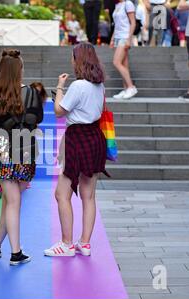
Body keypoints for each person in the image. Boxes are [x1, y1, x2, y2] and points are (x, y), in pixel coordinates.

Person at [44, 42, 109, 257]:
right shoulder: (99, 86)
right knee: (88, 195)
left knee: (61, 194)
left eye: (73, 57)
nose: (71, 61)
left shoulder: (78, 86)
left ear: (78, 60)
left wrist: (60, 87)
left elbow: (59, 111)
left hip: (78, 138)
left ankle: (66, 244)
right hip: (95, 138)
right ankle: (85, 243)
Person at [0, 49, 44, 266]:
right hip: (26, 148)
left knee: (11, 201)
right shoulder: (32, 94)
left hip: (4, 150)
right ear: (20, 71)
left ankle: (4, 248)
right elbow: (38, 119)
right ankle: (8, 249)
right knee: (13, 201)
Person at [110, 0, 138, 99]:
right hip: (117, 37)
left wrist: (129, 39)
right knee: (124, 64)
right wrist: (112, 38)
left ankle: (131, 87)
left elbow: (133, 22)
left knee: (116, 62)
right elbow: (116, 24)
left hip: (124, 36)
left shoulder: (128, 4)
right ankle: (125, 88)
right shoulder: (117, 5)